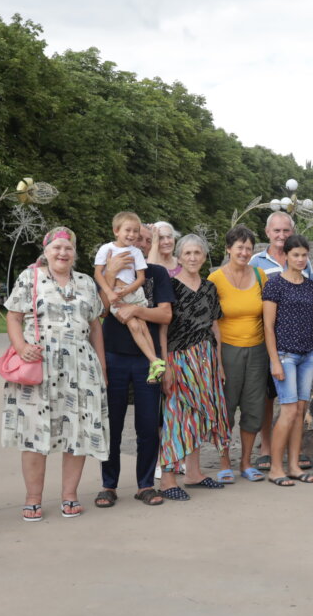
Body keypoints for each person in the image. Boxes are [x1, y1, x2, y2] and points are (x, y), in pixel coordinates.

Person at [3, 227, 109, 521]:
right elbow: (13, 316)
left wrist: (102, 367)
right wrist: (21, 347)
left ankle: (70, 495)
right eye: (57, 248)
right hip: (40, 364)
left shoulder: (86, 282)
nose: (63, 253)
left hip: (81, 366)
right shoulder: (30, 278)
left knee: (77, 430)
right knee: (34, 432)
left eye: (68, 248)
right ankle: (33, 498)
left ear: (74, 253)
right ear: (46, 251)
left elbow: (95, 326)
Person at [97, 221, 175, 508]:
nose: (139, 243)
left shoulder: (156, 273)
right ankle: (108, 485)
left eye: (145, 240)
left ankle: (145, 485)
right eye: (136, 238)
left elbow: (165, 316)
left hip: (147, 360)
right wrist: (110, 274)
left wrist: (136, 309)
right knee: (112, 424)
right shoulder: (108, 267)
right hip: (114, 355)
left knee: (147, 424)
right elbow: (101, 311)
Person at [156, 234, 231, 500]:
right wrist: (165, 366)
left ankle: (193, 473)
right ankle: (167, 480)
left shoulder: (210, 287)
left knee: (198, 417)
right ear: (178, 257)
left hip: (206, 358)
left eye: (197, 253)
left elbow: (215, 326)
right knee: (176, 416)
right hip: (178, 358)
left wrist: (218, 364)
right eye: (187, 253)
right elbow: (162, 329)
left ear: (204, 256)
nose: (192, 257)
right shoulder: (170, 286)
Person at [249, 210, 313, 471]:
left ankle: (293, 455)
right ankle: (268, 449)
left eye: (286, 230)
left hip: (302, 345)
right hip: (269, 341)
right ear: (267, 232)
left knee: (297, 405)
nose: (281, 235)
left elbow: (312, 304)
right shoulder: (256, 261)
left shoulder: (305, 267)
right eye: (276, 230)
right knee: (269, 397)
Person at [262, 234, 313, 486]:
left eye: (304, 255)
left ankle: (293, 466)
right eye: (296, 255)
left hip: (308, 355)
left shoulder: (310, 286)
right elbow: (268, 327)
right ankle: (275, 468)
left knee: (300, 411)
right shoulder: (274, 285)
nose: (300, 259)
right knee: (288, 411)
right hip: (285, 355)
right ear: (286, 256)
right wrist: (275, 361)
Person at [209, 226, 269, 483]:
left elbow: (269, 314)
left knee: (254, 407)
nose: (244, 252)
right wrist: (217, 361)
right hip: (227, 350)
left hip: (257, 350)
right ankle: (224, 462)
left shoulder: (260, 275)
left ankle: (246, 462)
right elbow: (210, 322)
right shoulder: (215, 279)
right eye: (239, 247)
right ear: (228, 249)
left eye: (248, 248)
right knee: (226, 406)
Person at [93, 212, 164, 382]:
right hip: (116, 296)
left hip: (132, 293)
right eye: (128, 230)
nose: (132, 234)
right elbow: (98, 274)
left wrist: (126, 291)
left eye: (135, 231)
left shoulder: (136, 252)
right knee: (134, 325)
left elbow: (140, 279)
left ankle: (154, 363)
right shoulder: (106, 249)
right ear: (116, 231)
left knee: (143, 326)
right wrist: (110, 292)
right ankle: (154, 360)